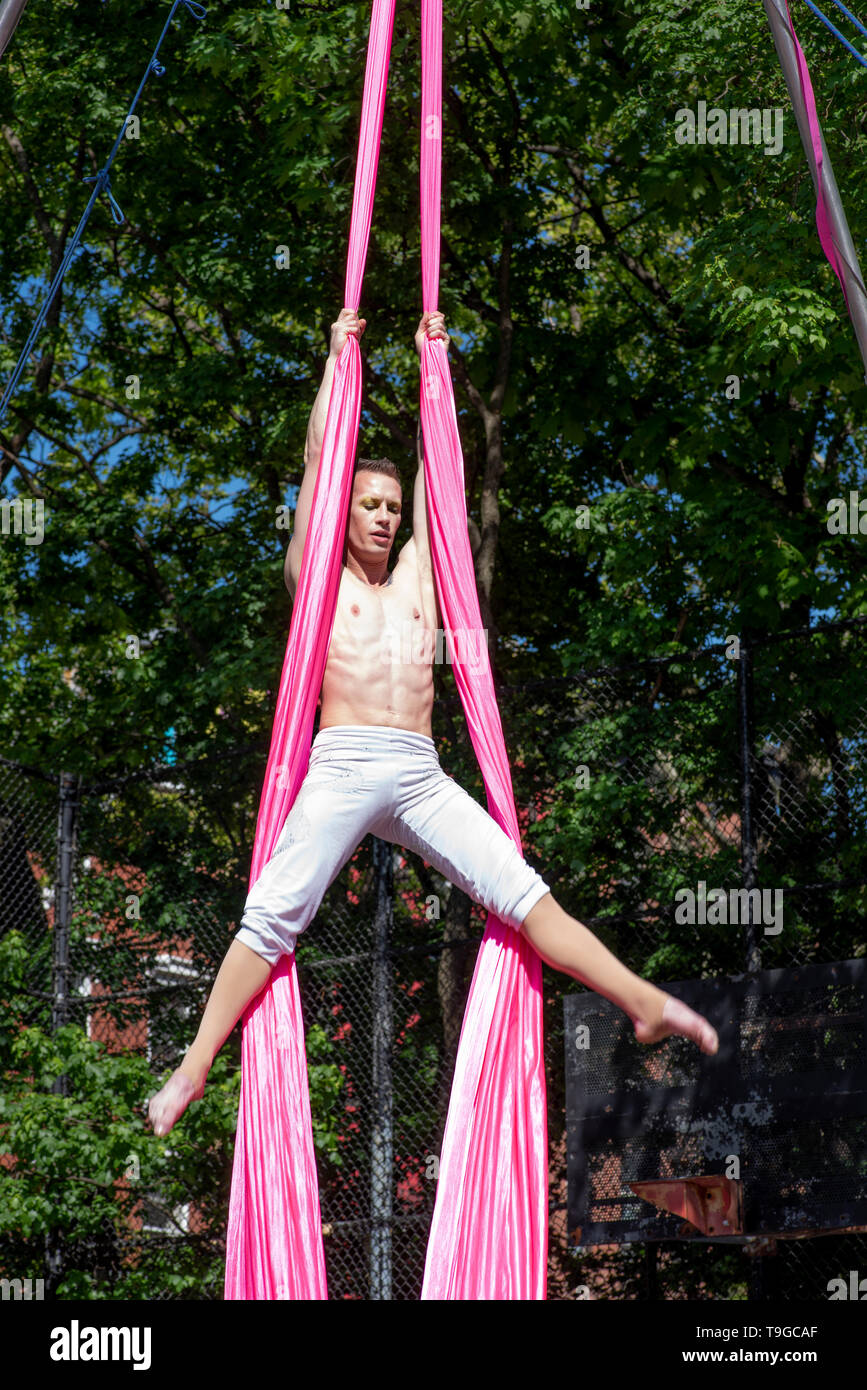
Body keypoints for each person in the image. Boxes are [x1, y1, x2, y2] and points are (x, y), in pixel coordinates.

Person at [148, 308, 717, 1136]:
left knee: (521, 891)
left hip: (417, 771)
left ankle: (640, 1002)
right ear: (342, 513)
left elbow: (442, 483)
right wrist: (339, 365)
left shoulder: (418, 574)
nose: (381, 516)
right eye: (367, 504)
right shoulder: (316, 578)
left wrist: (434, 370)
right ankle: (194, 1067)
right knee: (270, 917)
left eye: (390, 506)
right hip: (340, 765)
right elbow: (319, 455)